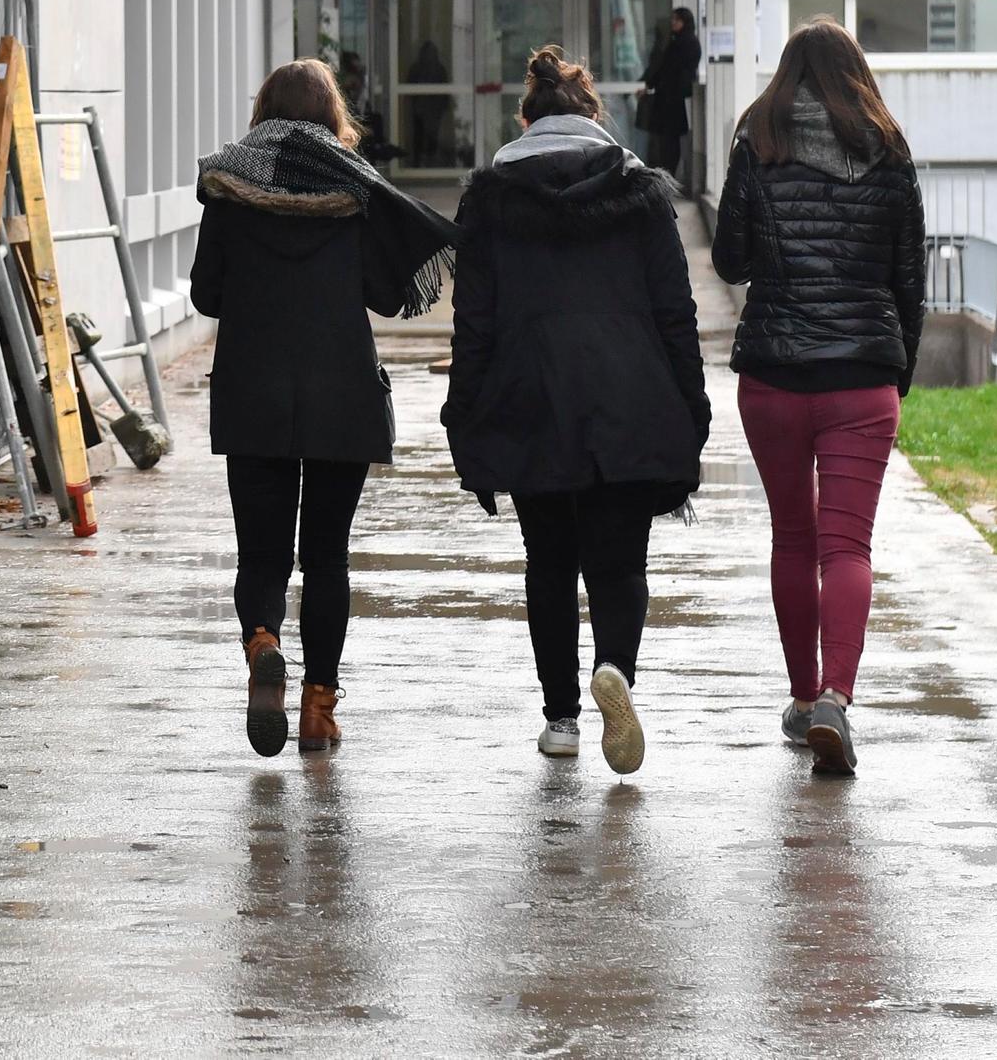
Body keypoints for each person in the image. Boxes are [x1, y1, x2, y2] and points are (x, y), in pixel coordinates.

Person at [442, 47, 708, 775]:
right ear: (595, 117)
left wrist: (463, 418)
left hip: (529, 400)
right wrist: (692, 407)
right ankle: (615, 668)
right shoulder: (643, 194)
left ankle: (561, 718)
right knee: (620, 564)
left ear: (525, 120)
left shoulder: (493, 198)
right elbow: (675, 314)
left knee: (549, 563)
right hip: (631, 398)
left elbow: (476, 324)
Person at [191, 59, 458, 757]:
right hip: (341, 391)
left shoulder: (227, 183)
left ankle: (263, 643)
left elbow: (204, 295)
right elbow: (384, 293)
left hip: (253, 390)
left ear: (264, 111)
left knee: (262, 552)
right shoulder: (355, 187)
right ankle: (318, 711)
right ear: (332, 114)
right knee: (327, 557)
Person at [712, 18, 926, 779]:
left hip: (773, 372)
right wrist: (895, 372)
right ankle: (838, 694)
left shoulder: (758, 139)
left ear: (787, 73)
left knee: (793, 540)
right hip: (862, 376)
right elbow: (910, 280)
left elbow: (730, 260)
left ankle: (803, 700)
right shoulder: (888, 148)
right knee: (847, 546)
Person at [635, 7, 703, 192]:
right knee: (665, 142)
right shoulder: (675, 42)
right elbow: (662, 69)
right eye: (672, 19)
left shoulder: (687, 43)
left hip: (672, 101)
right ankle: (665, 177)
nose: (673, 23)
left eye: (677, 20)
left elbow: (672, 71)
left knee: (669, 143)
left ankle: (668, 178)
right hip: (668, 100)